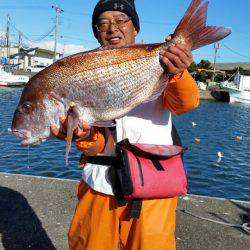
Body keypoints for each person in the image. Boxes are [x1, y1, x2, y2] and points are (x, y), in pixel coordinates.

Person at [51, 0, 199, 249]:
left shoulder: (159, 61)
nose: (112, 28)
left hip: (154, 187)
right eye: (103, 23)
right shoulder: (84, 70)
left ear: (135, 29)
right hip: (99, 184)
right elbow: (95, 143)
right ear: (97, 32)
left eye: (121, 20)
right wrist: (81, 136)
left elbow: (185, 104)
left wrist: (178, 72)